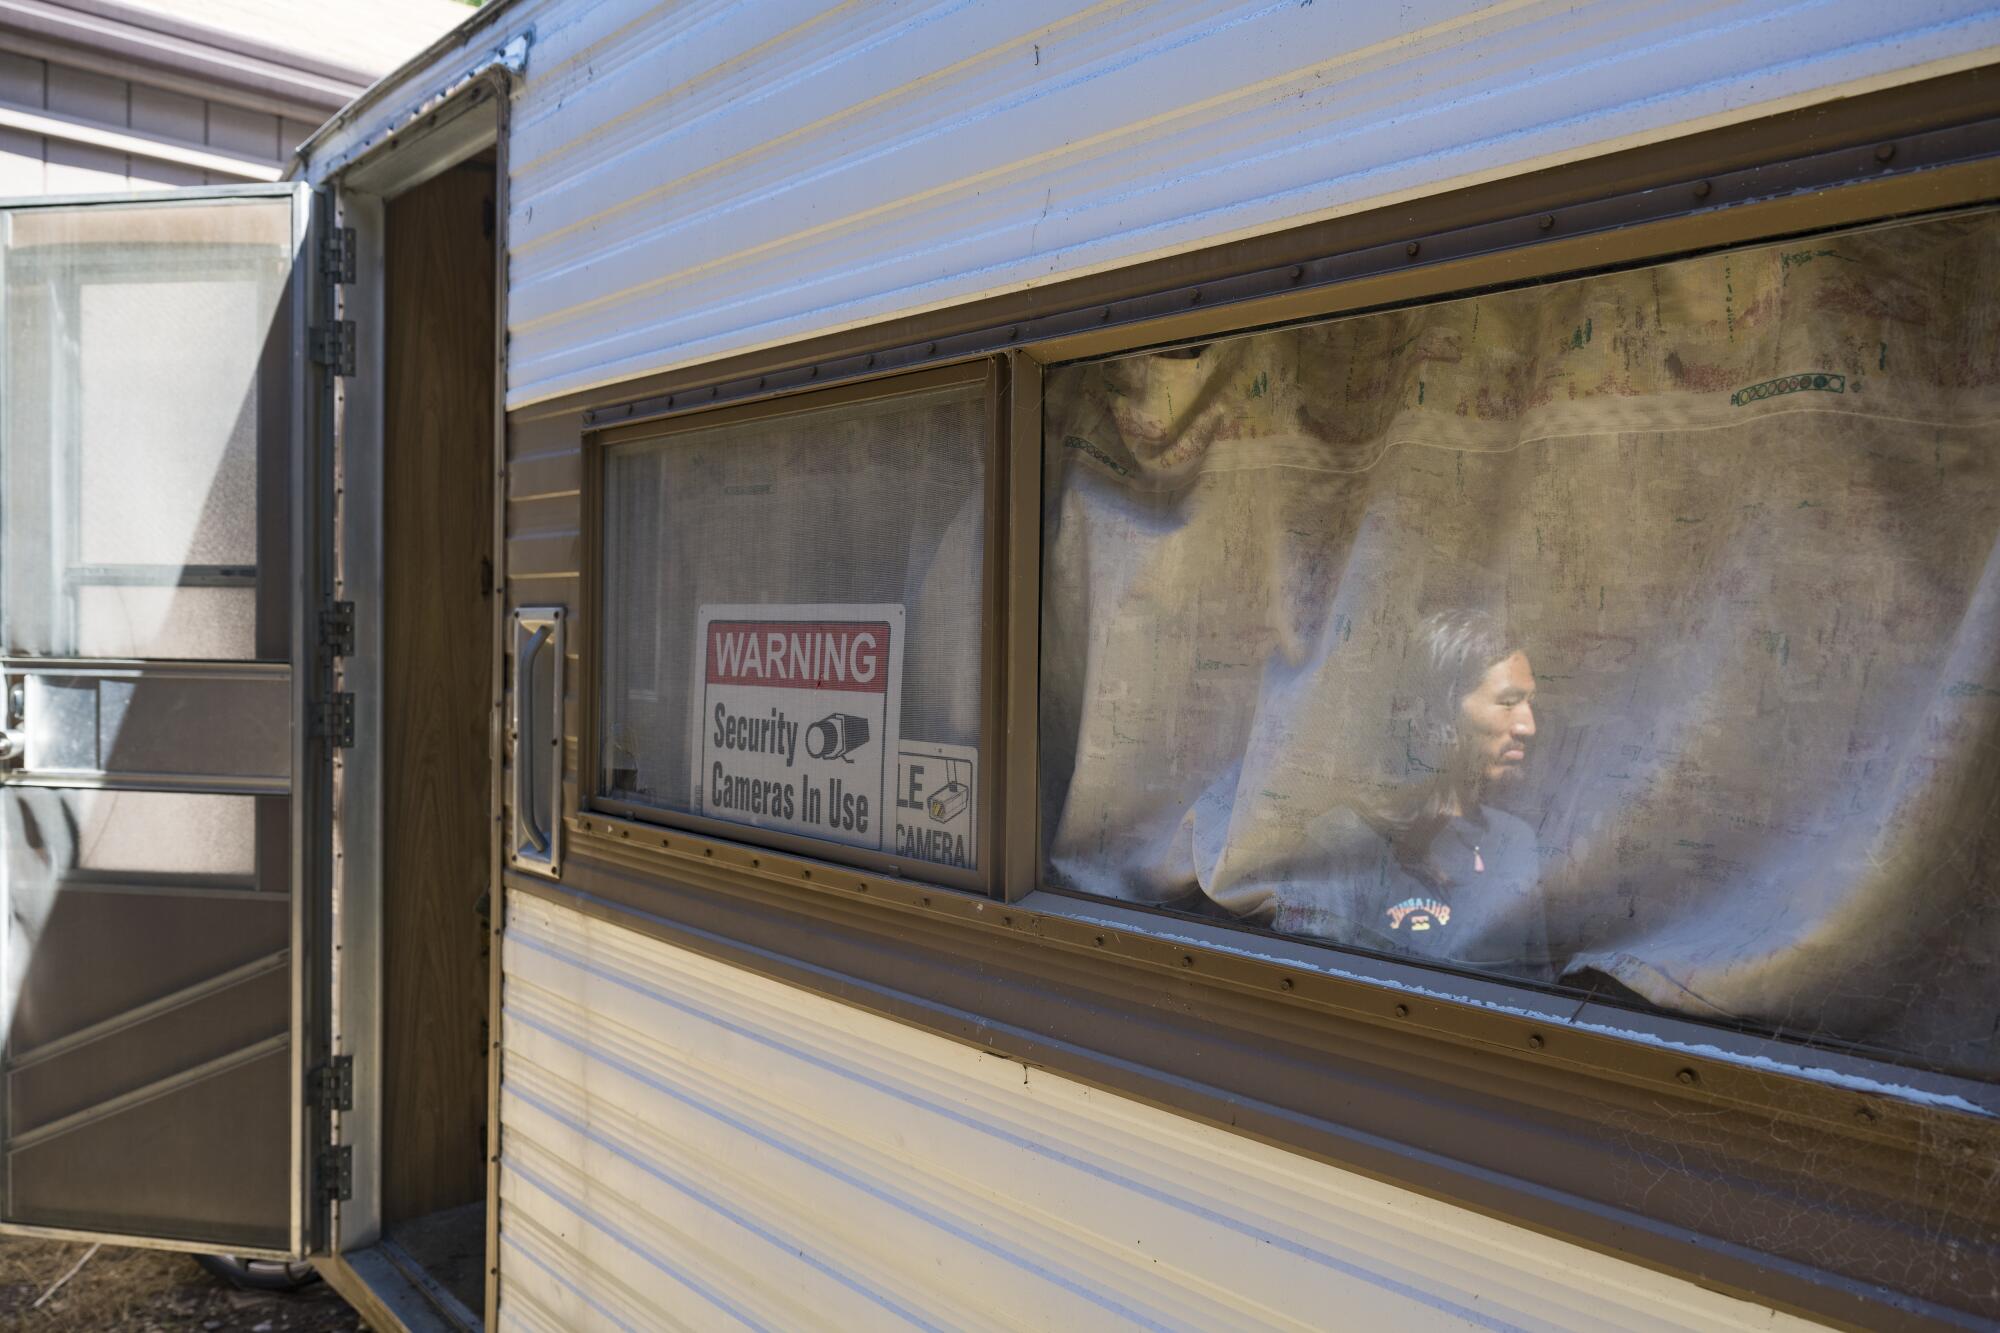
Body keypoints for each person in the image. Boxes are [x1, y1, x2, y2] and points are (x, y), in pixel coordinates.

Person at [1280, 609, 1551, 977]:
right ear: (1441, 708)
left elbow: (1536, 992)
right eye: (1507, 702)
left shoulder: (1516, 843)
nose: (1527, 725)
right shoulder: (1344, 843)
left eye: (1529, 702)